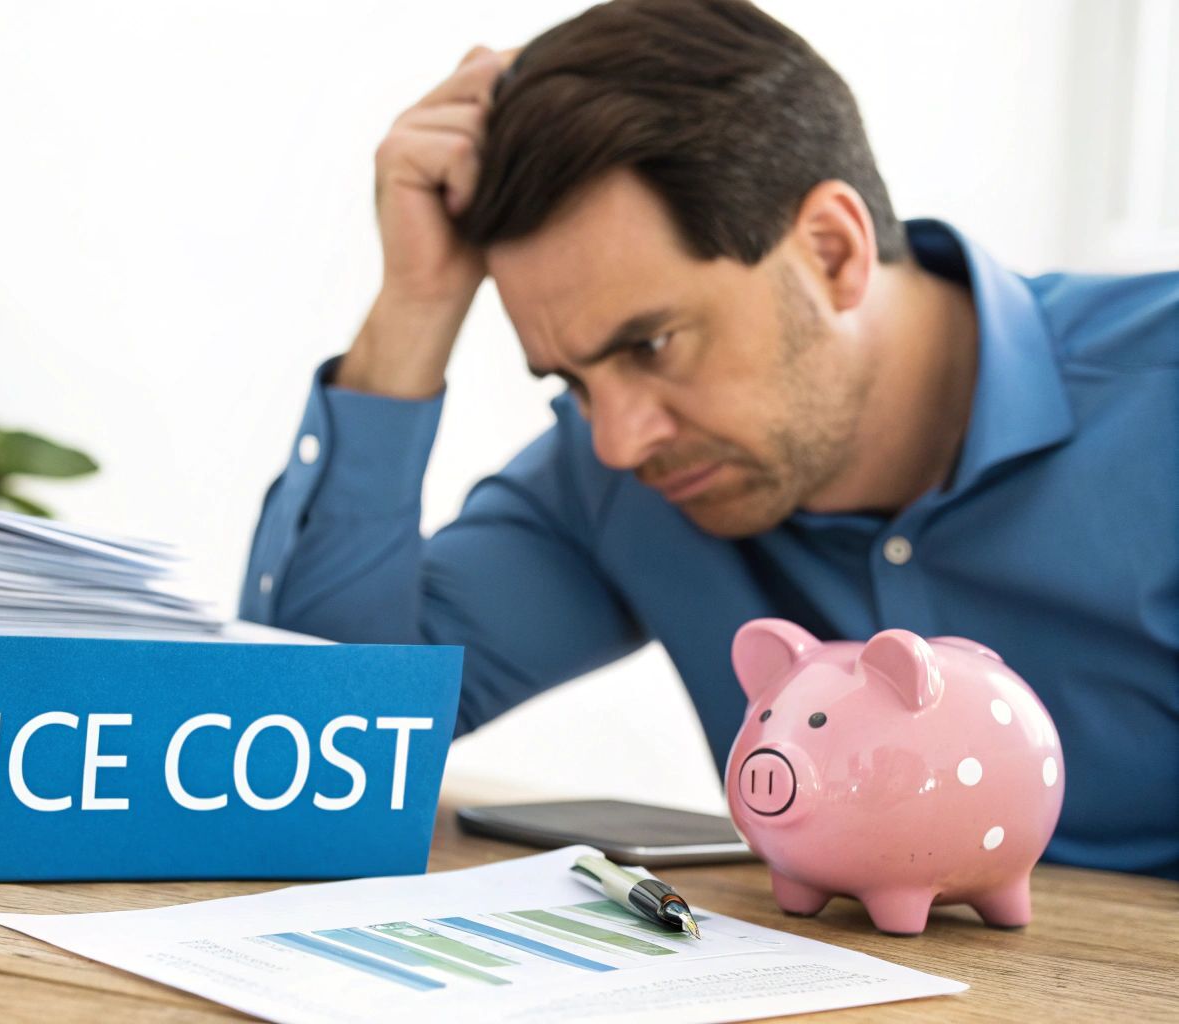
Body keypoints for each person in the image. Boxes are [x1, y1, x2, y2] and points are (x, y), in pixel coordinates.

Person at [238, 0, 1178, 879]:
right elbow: (313, 744)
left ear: (832, 251)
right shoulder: (617, 478)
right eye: (572, 380)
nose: (615, 439)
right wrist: (415, 308)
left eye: (651, 344)